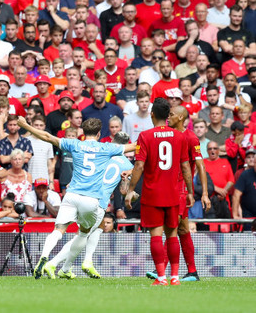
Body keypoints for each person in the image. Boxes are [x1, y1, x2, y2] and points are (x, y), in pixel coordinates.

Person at [18, 116, 135, 279]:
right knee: (84, 233)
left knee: (58, 230)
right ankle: (71, 266)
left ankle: (45, 257)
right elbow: (136, 146)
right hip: (92, 199)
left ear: (83, 133)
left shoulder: (74, 143)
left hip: (71, 194)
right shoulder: (107, 149)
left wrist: (26, 126)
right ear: (100, 134)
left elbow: (46, 136)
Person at [125, 98, 194, 286]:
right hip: (173, 193)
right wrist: (189, 191)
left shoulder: (145, 136)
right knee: (172, 235)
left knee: (156, 235)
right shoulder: (180, 137)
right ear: (167, 116)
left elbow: (139, 165)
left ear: (152, 114)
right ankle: (175, 277)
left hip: (152, 193)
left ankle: (161, 278)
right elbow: (186, 167)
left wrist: (131, 189)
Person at [146, 105, 210, 282]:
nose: (168, 117)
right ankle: (191, 271)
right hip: (169, 188)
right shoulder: (168, 134)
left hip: (181, 191)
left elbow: (200, 165)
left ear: (181, 117)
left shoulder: (190, 137)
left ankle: (165, 269)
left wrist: (203, 193)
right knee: (180, 228)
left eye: (172, 115)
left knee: (174, 226)